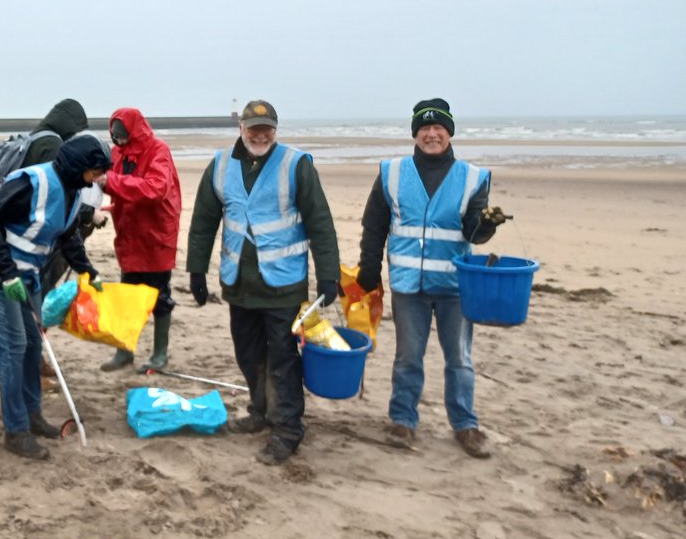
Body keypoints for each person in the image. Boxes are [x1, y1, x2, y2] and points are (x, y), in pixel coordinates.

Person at [186, 101, 340, 465]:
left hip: (284, 283)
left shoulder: (296, 165)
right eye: (254, 127)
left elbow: (320, 221)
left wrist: (328, 273)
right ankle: (260, 410)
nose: (261, 134)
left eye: (267, 127)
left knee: (284, 358)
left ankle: (287, 428)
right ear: (241, 127)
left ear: (276, 128)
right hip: (239, 282)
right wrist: (196, 270)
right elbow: (204, 221)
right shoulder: (221, 165)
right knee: (248, 352)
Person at [356, 98, 505, 459]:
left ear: (449, 133)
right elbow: (374, 225)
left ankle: (465, 425)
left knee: (460, 359)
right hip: (409, 286)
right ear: (415, 134)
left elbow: (473, 232)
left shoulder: (472, 177)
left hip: (456, 288)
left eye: (439, 128)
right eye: (424, 128)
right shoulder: (392, 172)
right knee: (408, 357)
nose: (432, 134)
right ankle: (403, 420)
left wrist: (486, 224)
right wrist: (369, 267)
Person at [0, 134, 111, 460]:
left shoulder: (74, 191)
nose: (100, 178)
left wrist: (88, 270)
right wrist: (7, 274)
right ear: (79, 165)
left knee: (32, 343)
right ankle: (15, 431)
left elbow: (67, 236)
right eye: (96, 171)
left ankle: (32, 414)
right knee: (13, 345)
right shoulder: (33, 182)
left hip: (26, 271)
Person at [97, 108, 183, 373]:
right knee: (127, 296)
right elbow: (123, 186)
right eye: (116, 139)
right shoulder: (117, 154)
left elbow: (155, 188)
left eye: (123, 138)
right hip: (130, 235)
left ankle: (160, 354)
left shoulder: (158, 151)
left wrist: (111, 182)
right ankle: (124, 352)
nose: (120, 144)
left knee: (159, 296)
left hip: (156, 236)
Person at [20, 98, 106, 295]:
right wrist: (89, 213)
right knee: (36, 290)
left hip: (25, 229)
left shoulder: (36, 138)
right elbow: (59, 198)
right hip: (37, 234)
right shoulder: (52, 145)